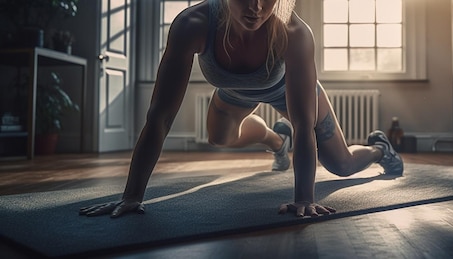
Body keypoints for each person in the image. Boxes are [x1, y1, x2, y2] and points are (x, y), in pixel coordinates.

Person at [79, 0, 403, 218]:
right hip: (235, 93)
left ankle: (378, 149)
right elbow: (160, 116)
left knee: (341, 165)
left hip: (287, 91)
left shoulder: (294, 31)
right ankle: (277, 141)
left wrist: (305, 198)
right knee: (218, 138)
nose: (256, 7)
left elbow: (305, 125)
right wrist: (132, 196)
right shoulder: (192, 24)